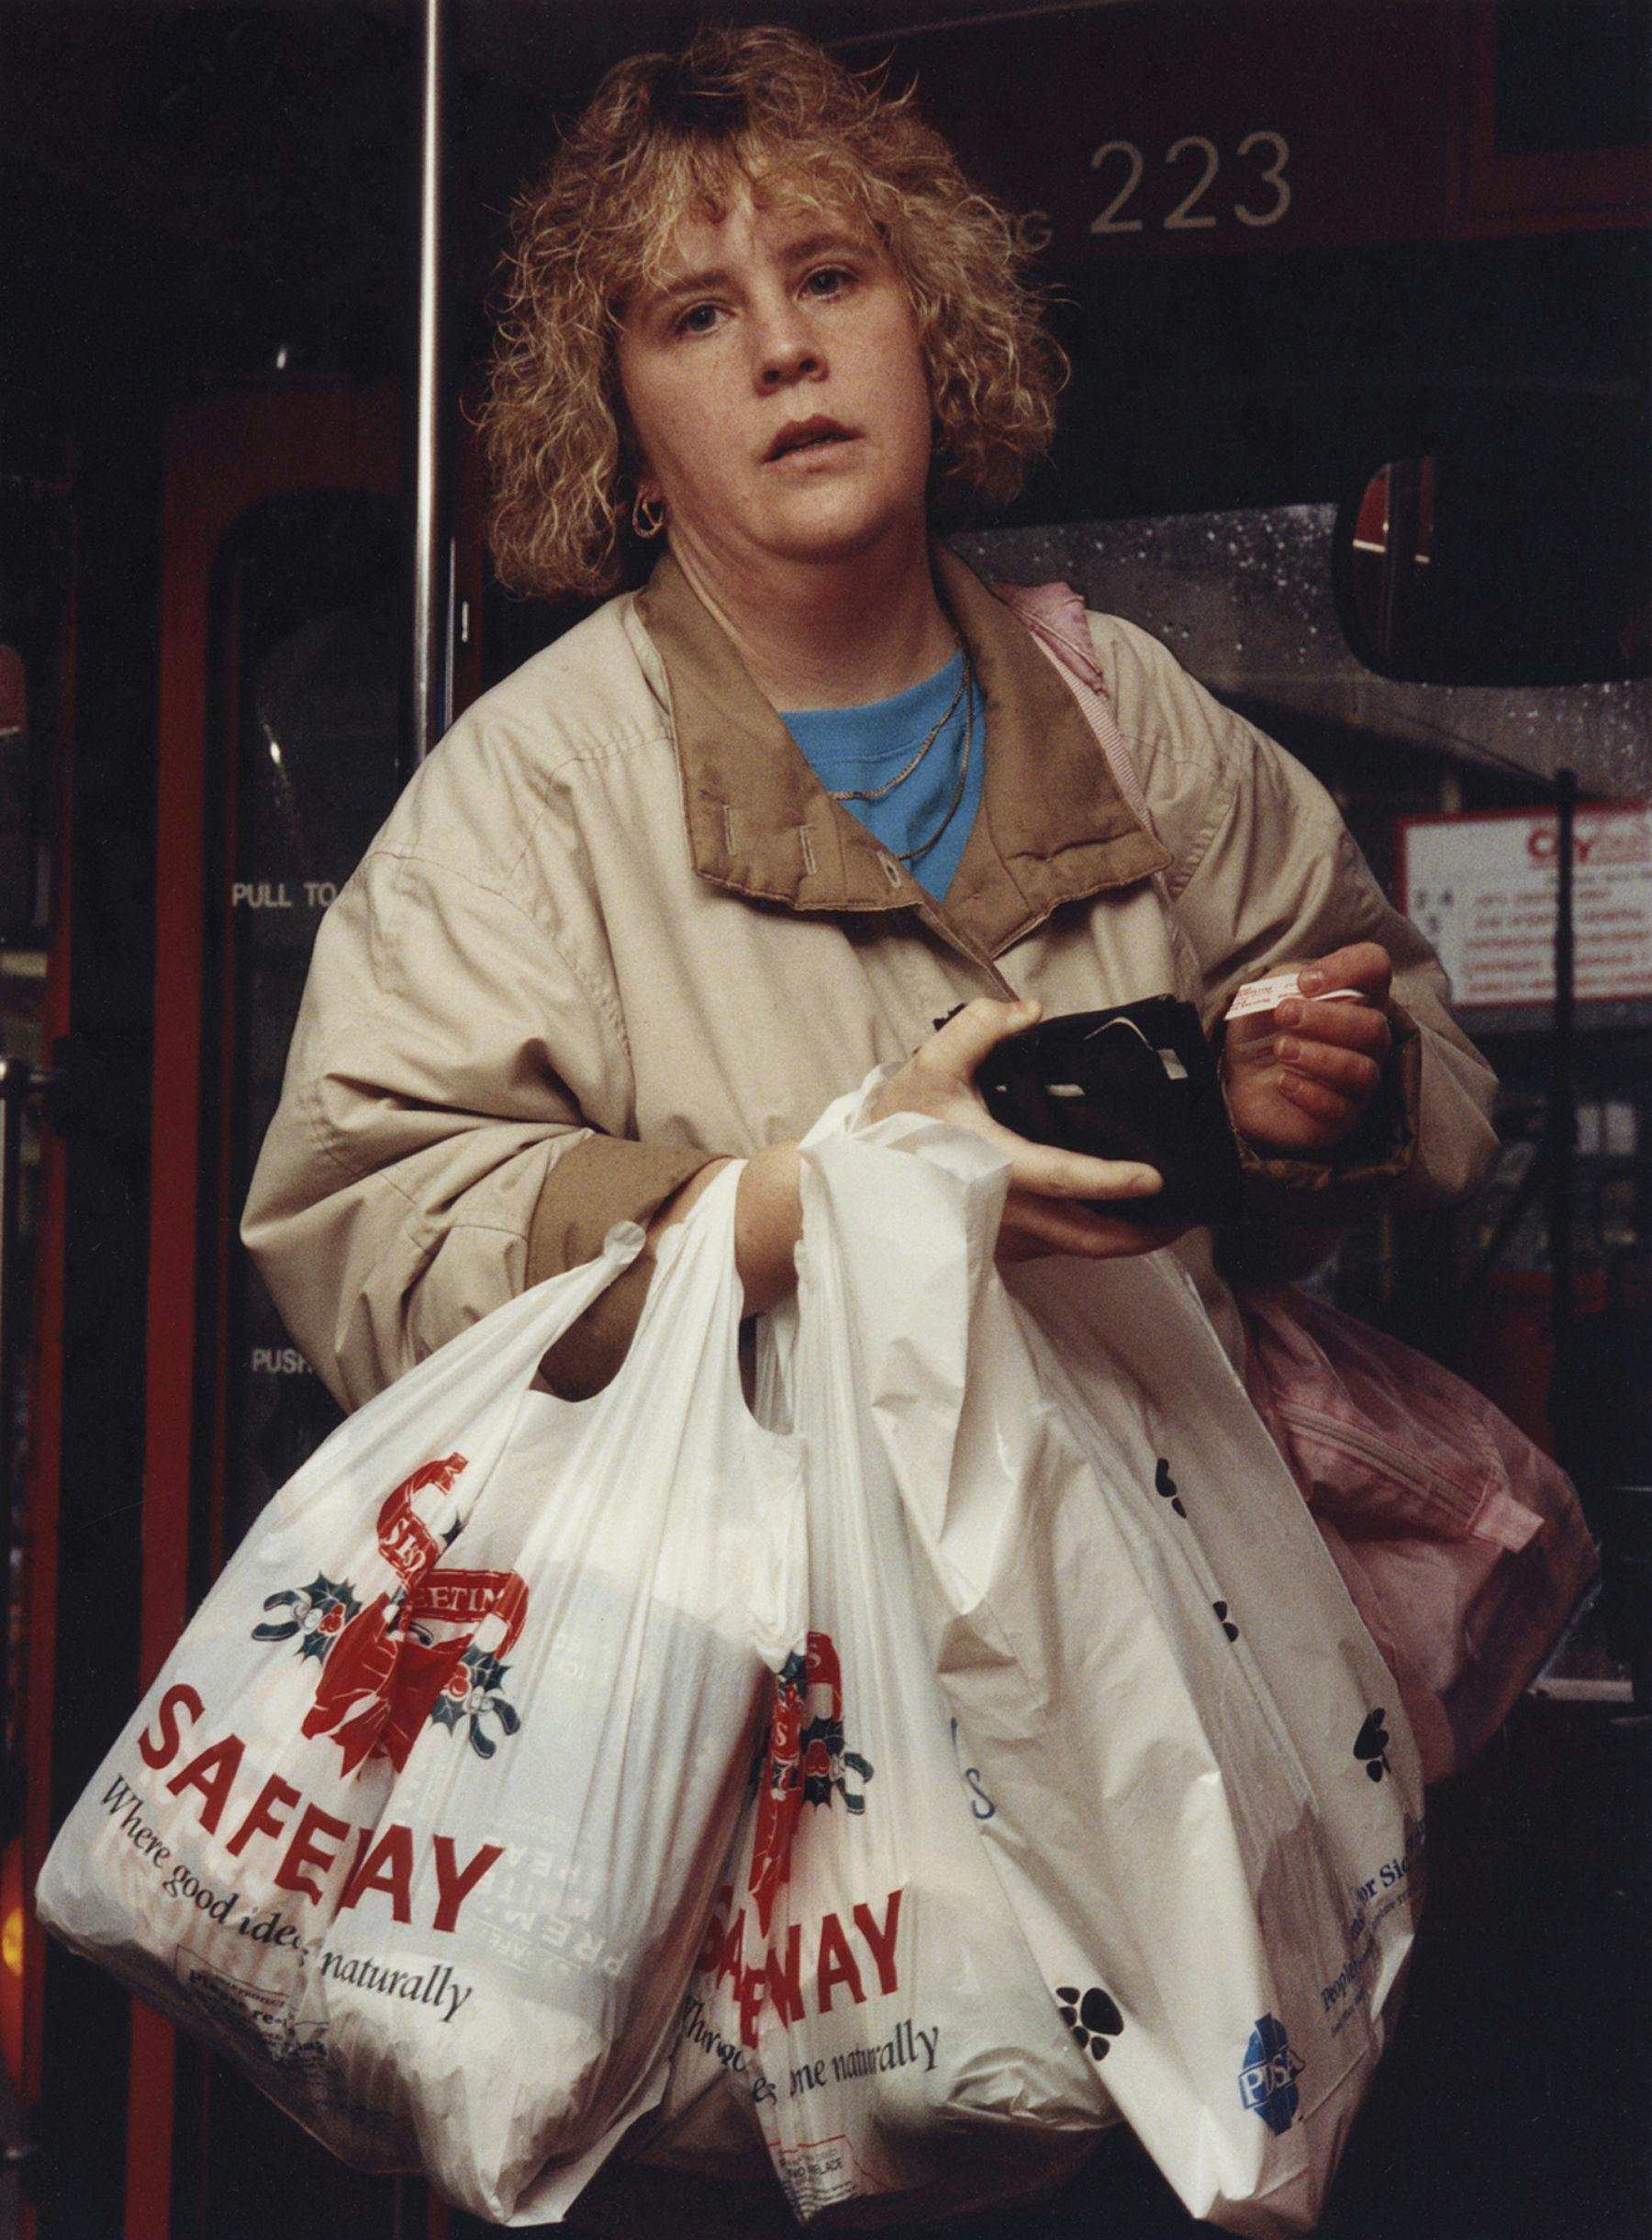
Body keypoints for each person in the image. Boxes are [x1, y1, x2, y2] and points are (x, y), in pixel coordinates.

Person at [243, 25, 1495, 1421]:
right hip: (756, 1566)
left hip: (1146, 1551)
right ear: (623, 437)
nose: (787, 350)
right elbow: (374, 1242)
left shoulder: (1127, 711)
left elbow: (1435, 1066)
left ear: (932, 334)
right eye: (697, 316)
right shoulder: (528, 791)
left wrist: (1292, 1100)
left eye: (830, 278)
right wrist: (813, 1208)